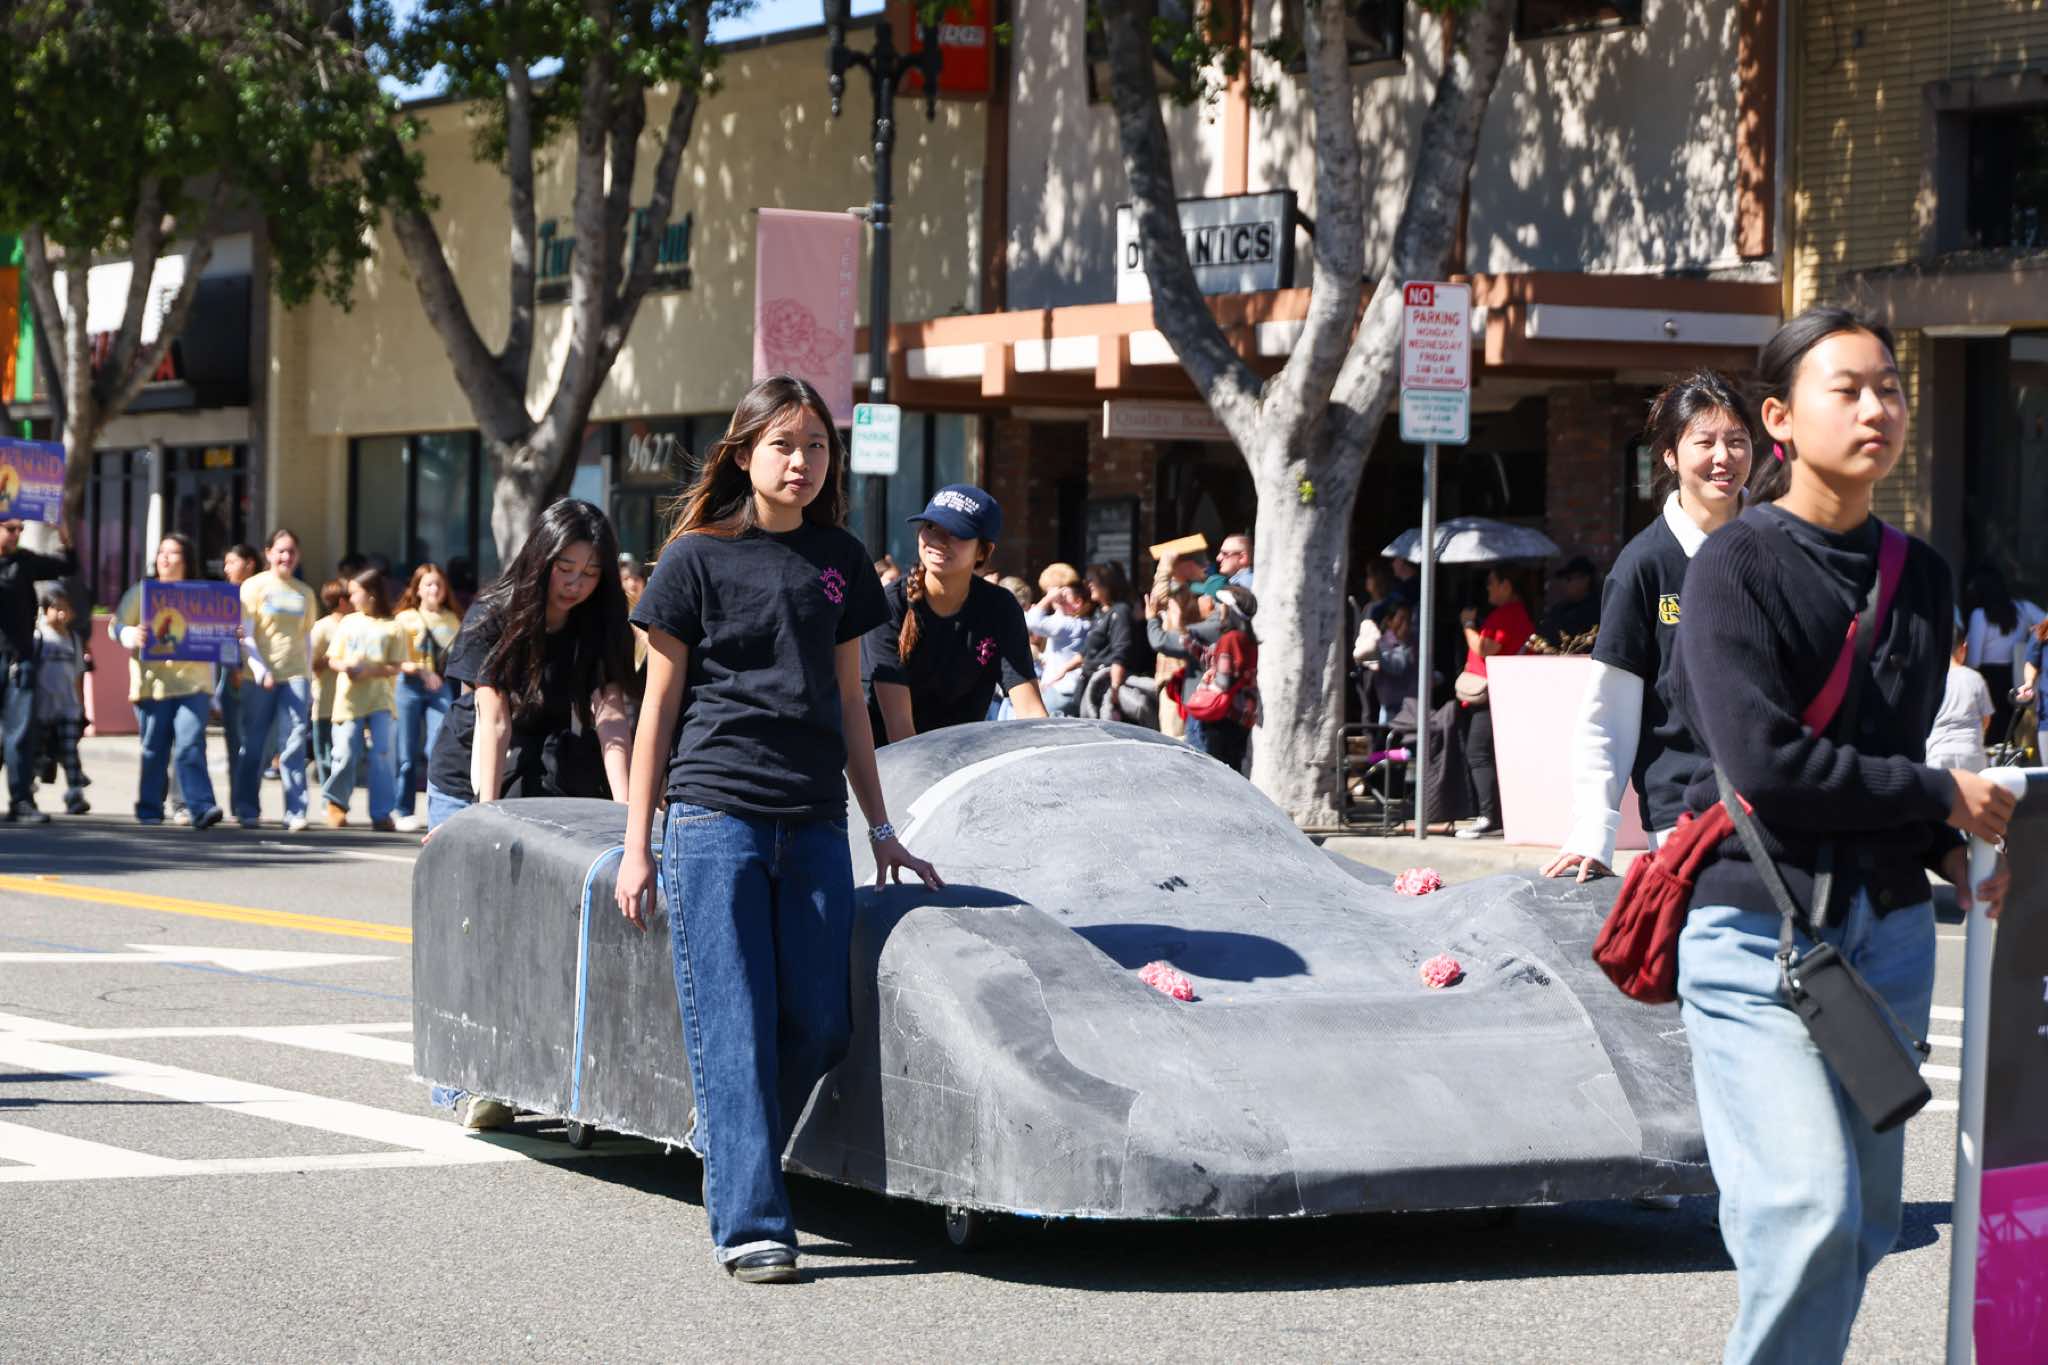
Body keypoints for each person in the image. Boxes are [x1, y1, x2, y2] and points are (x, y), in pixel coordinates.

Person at [1667, 306, 2014, 1364]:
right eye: (1847, 389)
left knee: (1861, 1228)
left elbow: (1881, 768)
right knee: (1806, 1211)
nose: (1877, 409)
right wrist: (1939, 794)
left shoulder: (1923, 575)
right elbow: (1770, 767)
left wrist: (1951, 850)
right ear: (1778, 418)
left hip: (1891, 941)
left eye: (1889, 388)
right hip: (1755, 932)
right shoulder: (1733, 566)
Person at [613, 374, 939, 1284]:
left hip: (814, 820)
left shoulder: (841, 558)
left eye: (817, 446)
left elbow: (851, 701)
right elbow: (656, 709)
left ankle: (729, 1141)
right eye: (784, 445)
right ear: (744, 452)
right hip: (714, 815)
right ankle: (752, 1221)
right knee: (735, 1026)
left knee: (823, 1023)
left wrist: (882, 826)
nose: (802, 462)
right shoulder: (694, 559)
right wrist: (639, 845)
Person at [1544, 370, 1755, 882]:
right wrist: (1594, 829)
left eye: (1737, 441)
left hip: (1780, 812)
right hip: (1685, 822)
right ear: (1669, 455)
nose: (1724, 457)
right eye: (1705, 442)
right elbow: (1609, 712)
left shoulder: (1780, 546)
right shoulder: (1644, 565)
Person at [422, 498, 633, 835]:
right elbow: (495, 720)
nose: (575, 584)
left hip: (549, 771)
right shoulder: (492, 615)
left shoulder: (601, 621)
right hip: (473, 770)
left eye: (590, 573)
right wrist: (485, 816)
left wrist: (626, 809)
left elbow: (612, 718)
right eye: (565, 568)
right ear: (541, 559)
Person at [865, 485, 1047, 742]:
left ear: (983, 551)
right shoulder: (891, 603)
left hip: (964, 756)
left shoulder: (1000, 607)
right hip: (889, 756)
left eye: (957, 532)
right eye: (931, 527)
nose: (939, 540)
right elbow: (899, 726)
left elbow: (1030, 709)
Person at [116, 533, 222, 829]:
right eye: (161, 552)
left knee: (190, 745)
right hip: (154, 686)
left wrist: (230, 634)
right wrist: (131, 634)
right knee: (154, 750)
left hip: (194, 684)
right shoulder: (142, 593)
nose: (164, 557)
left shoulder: (203, 595)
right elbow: (117, 626)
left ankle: (201, 806)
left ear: (186, 560)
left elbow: (220, 635)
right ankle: (150, 808)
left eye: (172, 552)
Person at [233, 529, 317, 831]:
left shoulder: (304, 592)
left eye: (292, 551)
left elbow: (307, 638)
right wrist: (260, 669)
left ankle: (296, 810)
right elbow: (245, 634)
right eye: (280, 550)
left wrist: (309, 680)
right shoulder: (253, 587)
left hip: (295, 675)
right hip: (260, 677)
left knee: (293, 744)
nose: (286, 556)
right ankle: (247, 808)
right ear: (268, 553)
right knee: (255, 745)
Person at [0, 515, 77, 822]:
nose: (16, 534)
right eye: (10, 529)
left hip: (19, 659)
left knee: (20, 734)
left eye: (20, 529)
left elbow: (68, 565)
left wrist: (64, 533)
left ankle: (21, 801)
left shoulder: (25, 561)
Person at [319, 569, 406, 831]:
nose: (350, 598)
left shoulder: (393, 626)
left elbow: (397, 665)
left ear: (371, 594)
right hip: (349, 700)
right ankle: (336, 803)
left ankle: (382, 812)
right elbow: (332, 659)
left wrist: (369, 671)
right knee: (345, 752)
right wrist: (345, 667)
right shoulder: (348, 623)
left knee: (382, 754)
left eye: (355, 592)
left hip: (381, 699)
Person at [1453, 566, 1533, 838]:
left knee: (1478, 752)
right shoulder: (1514, 613)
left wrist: (1467, 625)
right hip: (1500, 694)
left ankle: (1489, 817)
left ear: (1506, 585)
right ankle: (1494, 816)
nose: (1488, 588)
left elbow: (1486, 648)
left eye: (1492, 583)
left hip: (1492, 696)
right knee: (1488, 754)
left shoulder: (1507, 614)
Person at [1153, 584, 1259, 771]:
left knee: (1204, 770)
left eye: (1222, 605)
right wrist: (1181, 628)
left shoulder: (1230, 639)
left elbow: (1223, 682)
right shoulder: (1247, 639)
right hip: (1237, 720)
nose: (1219, 609)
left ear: (1230, 610)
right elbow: (1209, 657)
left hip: (1218, 720)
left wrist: (1206, 685)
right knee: (1230, 769)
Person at [390, 563, 461, 833]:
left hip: (439, 687)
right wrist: (421, 671)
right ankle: (403, 809)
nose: (434, 589)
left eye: (439, 585)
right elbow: (395, 659)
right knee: (406, 753)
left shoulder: (453, 619)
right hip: (409, 685)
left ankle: (438, 810)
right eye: (428, 584)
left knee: (437, 749)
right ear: (417, 589)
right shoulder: (404, 618)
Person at [1962, 567, 2043, 740]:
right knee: (2009, 733)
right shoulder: (2023, 608)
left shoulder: (1979, 615)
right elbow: (2045, 622)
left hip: (1988, 679)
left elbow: (1974, 660)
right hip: (2015, 676)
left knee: (1990, 734)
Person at [31, 587, 90, 815]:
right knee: (36, 753)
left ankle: (75, 795)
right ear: (45, 610)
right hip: (41, 708)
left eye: (66, 608)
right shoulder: (38, 637)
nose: (62, 614)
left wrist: (81, 707)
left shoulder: (73, 640)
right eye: (57, 608)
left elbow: (78, 675)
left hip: (67, 707)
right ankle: (27, 792)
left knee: (69, 752)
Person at [1077, 561, 1156, 724]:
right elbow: (1085, 653)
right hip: (1090, 684)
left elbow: (1120, 652)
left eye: (1093, 580)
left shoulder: (1120, 611)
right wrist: (1059, 673)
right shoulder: (1100, 613)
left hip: (1106, 687)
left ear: (1107, 584)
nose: (1089, 585)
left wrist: (1114, 688)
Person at [1027, 562, 1094, 716]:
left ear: (1078, 602)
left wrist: (1048, 598)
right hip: (1074, 689)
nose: (1058, 598)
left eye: (1064, 595)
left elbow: (1032, 622)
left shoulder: (1068, 625)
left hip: (1058, 690)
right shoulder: (1085, 623)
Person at [1925, 629, 1995, 774]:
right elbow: (1986, 718)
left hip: (1938, 751)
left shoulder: (1930, 680)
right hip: (1971, 750)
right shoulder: (1974, 678)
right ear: (1964, 647)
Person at [307, 579, 350, 786]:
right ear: (342, 601)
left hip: (350, 703)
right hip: (325, 704)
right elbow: (311, 663)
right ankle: (327, 796)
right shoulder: (322, 628)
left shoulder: (355, 624)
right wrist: (334, 659)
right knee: (325, 754)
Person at [1537, 555, 1603, 646]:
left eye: (1569, 579)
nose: (1564, 584)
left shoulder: (1596, 611)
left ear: (1585, 579)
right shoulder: (1560, 609)